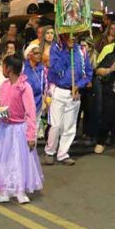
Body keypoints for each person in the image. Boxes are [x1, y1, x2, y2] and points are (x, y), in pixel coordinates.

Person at [0, 55, 44, 204]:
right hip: (3, 127)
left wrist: (31, 135)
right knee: (3, 159)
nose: (2, 70)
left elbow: (31, 113)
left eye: (4, 67)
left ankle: (19, 190)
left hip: (19, 129)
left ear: (9, 69)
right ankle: (4, 188)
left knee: (18, 160)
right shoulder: (5, 84)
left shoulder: (25, 87)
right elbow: (1, 102)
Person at [44, 33, 93, 166]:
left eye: (74, 35)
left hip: (74, 93)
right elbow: (56, 69)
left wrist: (79, 86)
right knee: (55, 125)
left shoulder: (82, 51)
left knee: (70, 127)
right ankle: (50, 151)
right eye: (68, 35)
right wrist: (67, 50)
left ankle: (63, 153)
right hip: (58, 90)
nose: (71, 37)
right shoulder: (56, 48)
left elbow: (88, 74)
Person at [94, 34, 115, 153]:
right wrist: (109, 70)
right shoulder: (112, 57)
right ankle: (101, 142)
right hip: (111, 93)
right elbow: (98, 71)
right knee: (107, 117)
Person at [23, 44, 47, 140]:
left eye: (40, 53)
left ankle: (32, 152)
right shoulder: (23, 68)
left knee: (35, 127)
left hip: (38, 102)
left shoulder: (42, 69)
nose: (39, 55)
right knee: (24, 127)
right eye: (36, 53)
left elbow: (45, 84)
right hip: (24, 103)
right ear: (29, 55)